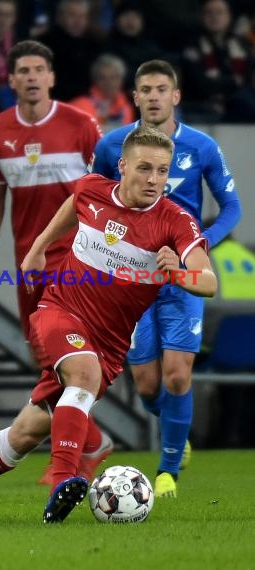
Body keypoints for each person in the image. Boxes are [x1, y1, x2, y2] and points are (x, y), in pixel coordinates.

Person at [0, 126, 217, 523]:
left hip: (109, 345)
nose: (153, 179)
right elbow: (72, 206)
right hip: (59, 311)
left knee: (24, 435)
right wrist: (38, 248)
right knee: (82, 374)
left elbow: (208, 282)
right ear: (123, 166)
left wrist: (177, 275)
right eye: (145, 168)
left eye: (162, 171)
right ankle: (62, 482)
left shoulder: (174, 221)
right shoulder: (92, 189)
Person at [92, 59, 242, 498]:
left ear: (176, 96)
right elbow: (93, 201)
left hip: (181, 276)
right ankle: (177, 429)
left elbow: (232, 207)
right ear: (134, 97)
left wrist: (198, 244)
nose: (154, 96)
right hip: (131, 276)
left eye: (163, 89)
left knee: (178, 376)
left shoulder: (202, 147)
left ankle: (167, 472)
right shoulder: (111, 146)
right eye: (146, 90)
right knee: (148, 386)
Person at [0, 39, 110, 484]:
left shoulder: (82, 125)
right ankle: (90, 442)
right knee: (44, 360)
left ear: (52, 77)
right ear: (10, 79)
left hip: (76, 260)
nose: (31, 77)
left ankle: (72, 457)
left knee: (62, 357)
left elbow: (107, 189)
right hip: (26, 260)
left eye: (39, 69)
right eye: (23, 70)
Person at [69, 53, 135, 132]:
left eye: (113, 77)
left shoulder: (126, 108)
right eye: (102, 78)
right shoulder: (80, 105)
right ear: (95, 81)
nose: (109, 83)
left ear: (122, 80)